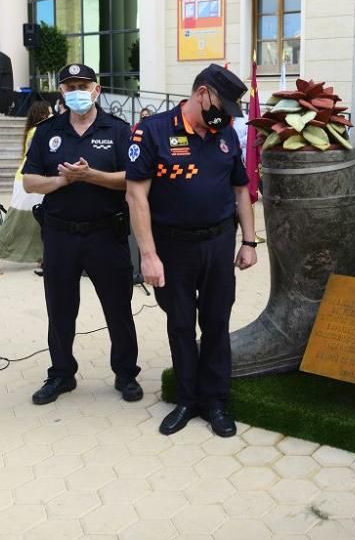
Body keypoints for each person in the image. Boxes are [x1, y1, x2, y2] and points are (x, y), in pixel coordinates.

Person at [126, 64, 258, 438]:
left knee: (216, 322)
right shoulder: (152, 131)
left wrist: (248, 241)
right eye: (222, 104)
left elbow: (240, 192)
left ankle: (215, 401)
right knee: (181, 323)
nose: (225, 114)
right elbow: (136, 195)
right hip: (172, 247)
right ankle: (187, 398)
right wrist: (148, 255)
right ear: (202, 94)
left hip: (218, 244)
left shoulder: (226, 135)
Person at [22, 63, 142, 405]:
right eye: (70, 85)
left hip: (106, 233)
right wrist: (63, 181)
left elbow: (132, 177)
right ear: (61, 92)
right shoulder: (47, 132)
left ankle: (125, 373)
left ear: (97, 90)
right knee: (60, 308)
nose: (77, 91)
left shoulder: (118, 130)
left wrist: (91, 176)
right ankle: (61, 374)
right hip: (60, 235)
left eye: (83, 85)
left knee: (118, 307)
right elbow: (30, 181)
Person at [0, 101, 53, 275]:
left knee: (38, 221)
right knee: (17, 220)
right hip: (28, 181)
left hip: (33, 180)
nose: (52, 116)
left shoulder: (35, 131)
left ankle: (42, 259)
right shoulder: (39, 132)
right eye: (50, 113)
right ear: (43, 115)